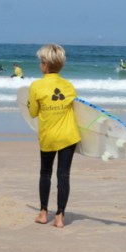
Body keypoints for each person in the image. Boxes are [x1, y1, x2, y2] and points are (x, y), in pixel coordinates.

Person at [26, 44, 81, 229]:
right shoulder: (69, 86)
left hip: (48, 136)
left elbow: (33, 112)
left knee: (45, 173)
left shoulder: (36, 86)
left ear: (44, 64)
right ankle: (59, 217)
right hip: (69, 136)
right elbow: (77, 110)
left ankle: (43, 213)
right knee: (63, 175)